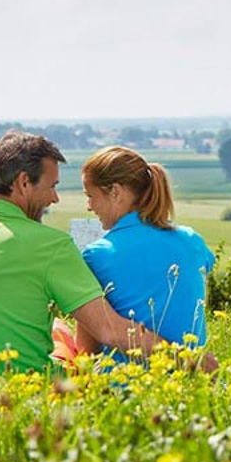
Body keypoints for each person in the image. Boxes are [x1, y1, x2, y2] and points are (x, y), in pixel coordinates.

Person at [0, 131, 215, 372]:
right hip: (29, 386)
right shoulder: (49, 245)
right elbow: (109, 331)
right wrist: (191, 360)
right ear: (24, 182)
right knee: (59, 333)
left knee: (57, 329)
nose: (55, 198)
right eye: (52, 186)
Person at [78, 146, 213, 357]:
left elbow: (86, 349)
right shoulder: (192, 241)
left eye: (90, 196)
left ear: (115, 192)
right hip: (194, 371)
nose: (89, 206)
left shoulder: (97, 255)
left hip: (126, 375)